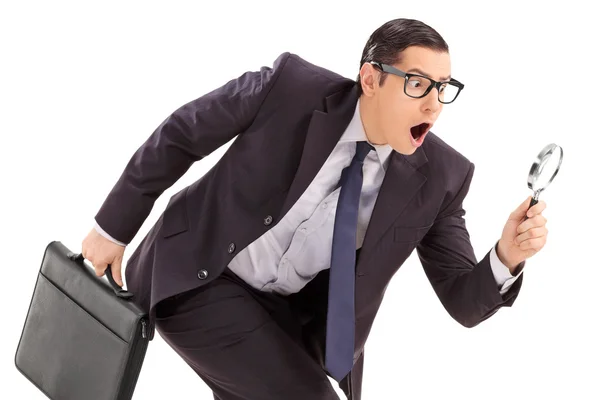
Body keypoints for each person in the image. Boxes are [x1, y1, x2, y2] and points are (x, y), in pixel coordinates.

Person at [81, 17, 548, 400]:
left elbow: (463, 301)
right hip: (197, 277)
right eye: (418, 84)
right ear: (371, 79)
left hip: (281, 316)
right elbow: (183, 133)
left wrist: (506, 256)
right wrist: (112, 228)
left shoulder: (442, 178)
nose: (434, 105)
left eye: (443, 88)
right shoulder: (290, 88)